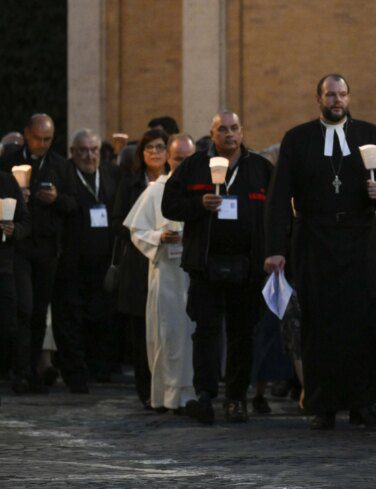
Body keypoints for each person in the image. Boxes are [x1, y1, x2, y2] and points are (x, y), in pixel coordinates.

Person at [264, 74, 376, 430]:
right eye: (330, 95)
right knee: (319, 321)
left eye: (342, 94)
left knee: (362, 318)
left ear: (349, 98)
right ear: (318, 99)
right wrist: (275, 248)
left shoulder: (369, 133)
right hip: (314, 239)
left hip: (359, 236)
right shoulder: (298, 138)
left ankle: (363, 403)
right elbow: (278, 198)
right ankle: (322, 404)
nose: (336, 101)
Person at [163, 111, 273, 424]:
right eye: (222, 129)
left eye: (234, 128)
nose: (229, 134)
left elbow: (277, 212)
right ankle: (206, 396)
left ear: (242, 131)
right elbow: (168, 205)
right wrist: (198, 206)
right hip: (205, 264)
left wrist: (275, 253)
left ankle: (237, 398)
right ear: (212, 135)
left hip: (248, 267)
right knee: (206, 332)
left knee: (242, 334)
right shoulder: (193, 167)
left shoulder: (260, 167)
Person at [1, 114, 77, 394]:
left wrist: (56, 199)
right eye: (37, 138)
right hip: (17, 248)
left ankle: (31, 368)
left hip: (46, 249)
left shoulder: (58, 165)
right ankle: (19, 370)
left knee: (38, 311)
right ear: (26, 134)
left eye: (47, 139)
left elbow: (73, 204)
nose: (42, 144)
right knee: (23, 308)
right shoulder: (8, 162)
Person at [124, 134, 197, 412]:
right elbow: (136, 230)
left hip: (194, 277)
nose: (183, 164)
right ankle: (166, 396)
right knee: (168, 335)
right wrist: (158, 237)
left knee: (193, 336)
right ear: (169, 158)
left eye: (189, 159)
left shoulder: (202, 190)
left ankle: (192, 393)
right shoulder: (156, 190)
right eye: (179, 159)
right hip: (166, 275)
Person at [114, 130, 167, 408]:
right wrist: (146, 234)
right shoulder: (130, 184)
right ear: (141, 153)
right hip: (137, 263)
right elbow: (119, 222)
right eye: (150, 148)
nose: (155, 153)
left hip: (169, 262)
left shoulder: (175, 182)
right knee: (140, 330)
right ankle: (145, 388)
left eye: (160, 147)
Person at [68, 129, 119, 384]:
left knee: (103, 316)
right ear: (73, 153)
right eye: (83, 150)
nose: (89, 156)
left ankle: (102, 367)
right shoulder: (66, 176)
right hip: (74, 260)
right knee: (76, 318)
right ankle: (78, 371)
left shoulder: (111, 176)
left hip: (104, 259)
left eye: (94, 150)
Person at [0, 172, 30, 392]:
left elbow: (25, 220)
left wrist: (14, 230)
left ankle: (11, 370)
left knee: (8, 322)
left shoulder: (6, 181)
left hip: (4, 265)